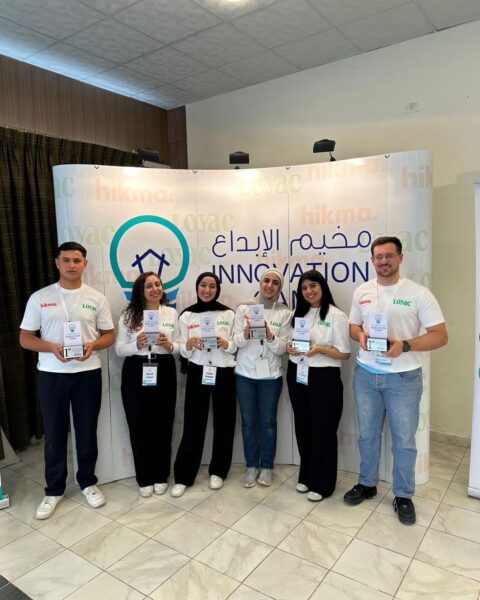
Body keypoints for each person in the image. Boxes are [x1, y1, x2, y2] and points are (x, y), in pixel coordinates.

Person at [344, 236, 448, 524]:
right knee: (367, 435)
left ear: (400, 258)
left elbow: (440, 336)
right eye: (378, 257)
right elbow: (353, 326)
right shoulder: (362, 291)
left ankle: (403, 495)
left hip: (403, 378)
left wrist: (406, 345)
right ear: (372, 260)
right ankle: (367, 483)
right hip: (366, 374)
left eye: (389, 256)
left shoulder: (418, 293)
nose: (384, 261)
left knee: (403, 441)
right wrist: (360, 335)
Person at [19, 241, 115, 520]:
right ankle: (54, 489)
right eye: (66, 260)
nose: (71, 265)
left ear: (85, 264)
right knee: (54, 433)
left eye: (77, 260)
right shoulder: (40, 297)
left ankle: (88, 482)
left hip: (88, 374)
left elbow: (109, 335)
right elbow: (25, 338)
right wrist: (51, 347)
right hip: (52, 375)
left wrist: (93, 345)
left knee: (86, 431)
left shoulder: (96, 298)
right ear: (56, 263)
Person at [287, 270, 350, 502]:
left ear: (322, 287)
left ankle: (323, 483)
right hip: (297, 373)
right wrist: (290, 347)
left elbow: (344, 353)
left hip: (324, 377)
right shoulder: (298, 313)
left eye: (313, 286)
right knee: (303, 427)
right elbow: (291, 341)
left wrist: (321, 349)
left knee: (323, 429)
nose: (309, 291)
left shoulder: (336, 315)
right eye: (304, 288)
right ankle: (306, 475)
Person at [171, 272, 236, 497]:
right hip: (198, 371)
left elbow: (237, 345)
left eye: (211, 286)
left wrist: (226, 343)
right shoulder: (187, 315)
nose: (207, 290)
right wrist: (188, 344)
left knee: (224, 423)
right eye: (203, 285)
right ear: (197, 287)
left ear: (217, 289)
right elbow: (181, 349)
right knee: (193, 424)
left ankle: (218, 471)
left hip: (224, 371)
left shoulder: (229, 313)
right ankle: (184, 476)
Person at [115, 271, 179, 498]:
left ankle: (161, 475)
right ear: (140, 291)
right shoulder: (128, 315)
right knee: (138, 423)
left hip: (164, 368)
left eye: (158, 284)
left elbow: (180, 346)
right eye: (149, 286)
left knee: (163, 422)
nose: (155, 289)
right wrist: (137, 345)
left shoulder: (171, 313)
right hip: (136, 369)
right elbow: (119, 348)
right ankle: (144, 477)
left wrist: (169, 345)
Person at [233, 269, 291, 488]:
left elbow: (282, 348)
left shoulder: (285, 313)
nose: (269, 285)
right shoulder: (244, 308)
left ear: (279, 288)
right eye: (266, 280)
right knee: (249, 423)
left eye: (275, 283)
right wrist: (246, 333)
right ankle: (251, 466)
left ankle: (266, 467)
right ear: (260, 283)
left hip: (271, 375)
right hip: (244, 374)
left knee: (268, 423)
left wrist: (269, 335)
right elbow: (235, 342)